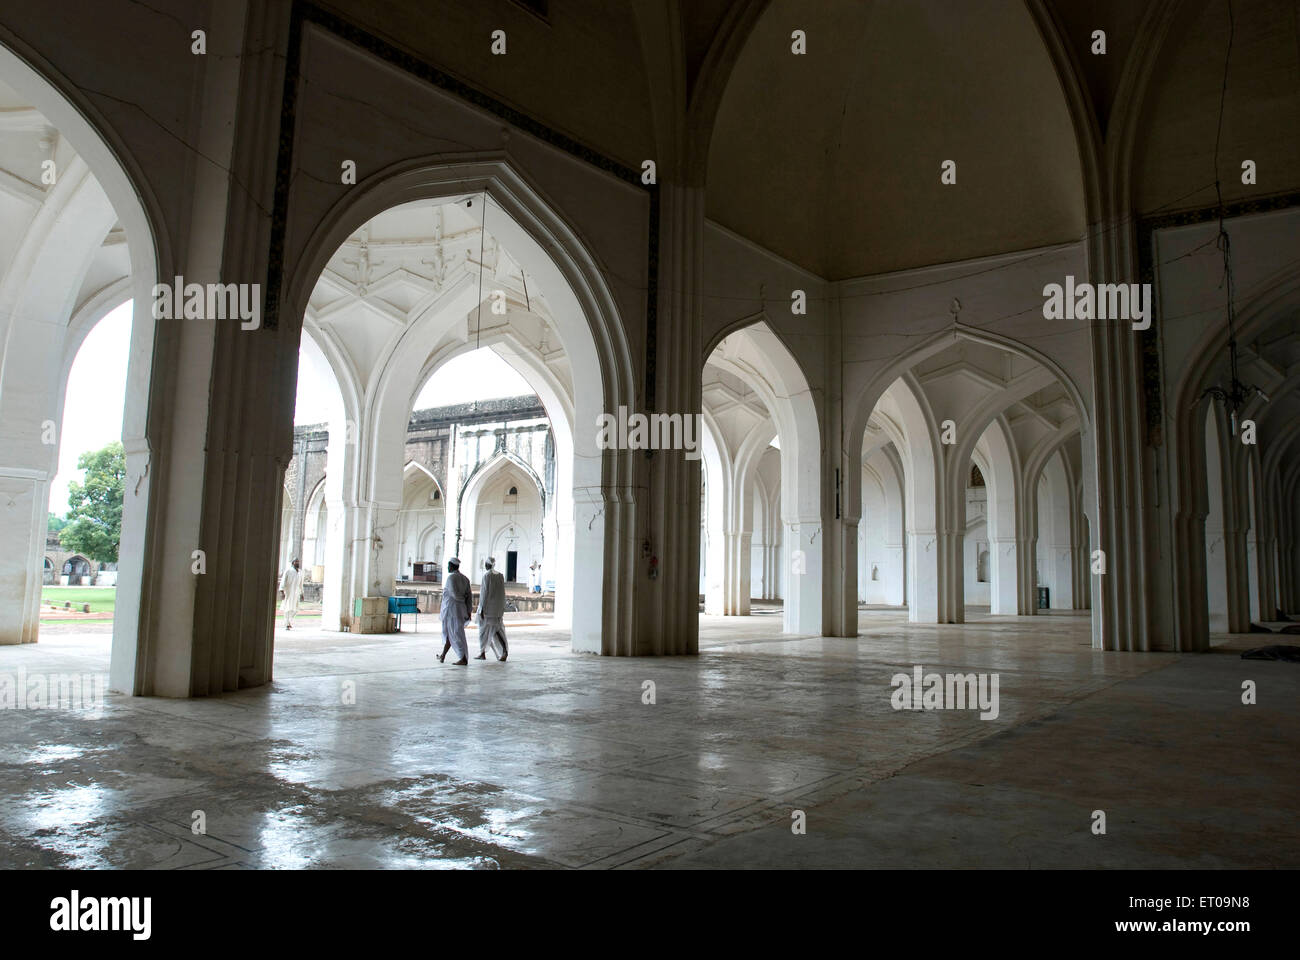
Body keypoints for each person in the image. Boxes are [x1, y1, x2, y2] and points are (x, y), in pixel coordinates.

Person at [474, 556, 509, 662]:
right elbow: (503, 594)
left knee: (484, 632)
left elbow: (484, 594)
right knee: (497, 631)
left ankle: (488, 652)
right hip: (497, 610)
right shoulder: (500, 576)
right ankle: (490, 652)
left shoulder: (487, 576)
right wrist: (502, 607)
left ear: (487, 565)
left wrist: (481, 609)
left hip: (488, 610)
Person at [438, 557, 471, 665]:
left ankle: (463, 658)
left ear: (452, 566)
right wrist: (468, 611)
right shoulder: (465, 579)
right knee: (451, 634)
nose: (447, 567)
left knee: (457, 634)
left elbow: (454, 594)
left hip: (452, 611)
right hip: (460, 610)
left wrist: (461, 600)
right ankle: (443, 655)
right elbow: (469, 597)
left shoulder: (451, 578)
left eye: (448, 565)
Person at [279, 558, 303, 630]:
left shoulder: (300, 572)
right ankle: (287, 624)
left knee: (295, 609)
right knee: (287, 608)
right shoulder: (288, 571)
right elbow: (283, 581)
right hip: (288, 592)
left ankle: (289, 621)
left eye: (298, 561)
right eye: (296, 561)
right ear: (293, 563)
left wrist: (302, 593)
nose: (297, 563)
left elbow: (301, 584)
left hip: (296, 593)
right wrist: (282, 592)